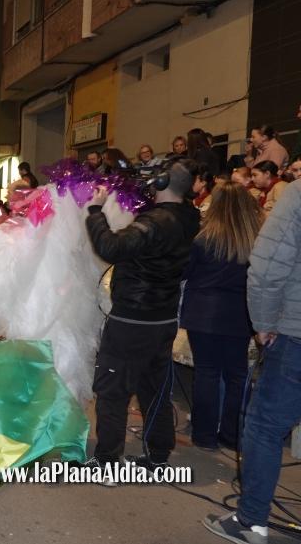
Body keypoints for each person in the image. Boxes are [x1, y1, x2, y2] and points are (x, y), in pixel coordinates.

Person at [81, 160, 201, 478]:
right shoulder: (189, 218)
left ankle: (106, 461)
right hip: (162, 319)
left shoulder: (156, 222)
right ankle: (158, 455)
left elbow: (110, 247)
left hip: (132, 319)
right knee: (154, 388)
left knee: (112, 389)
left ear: (161, 184)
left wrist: (96, 212)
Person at [203, 179, 301, 544]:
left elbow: (266, 269)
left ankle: (251, 522)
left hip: (295, 336)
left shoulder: (298, 195)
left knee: (265, 427)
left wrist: (264, 324)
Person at [180, 183, 262, 452]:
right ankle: (233, 435)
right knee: (237, 376)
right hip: (240, 315)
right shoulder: (255, 241)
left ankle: (204, 435)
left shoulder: (204, 239)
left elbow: (184, 272)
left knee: (207, 373)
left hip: (203, 314)